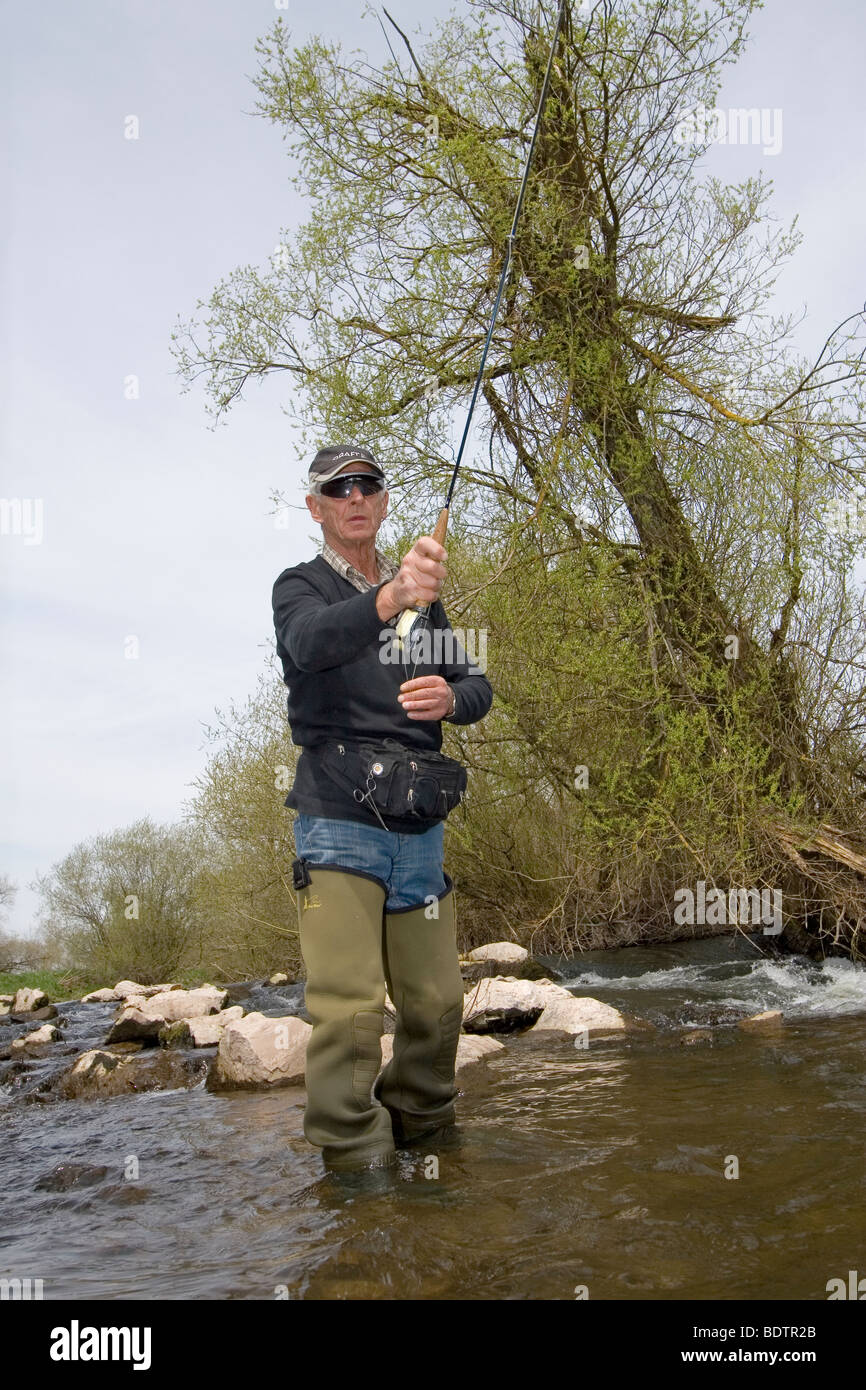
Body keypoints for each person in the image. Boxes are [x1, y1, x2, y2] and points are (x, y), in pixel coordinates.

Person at [272, 444, 493, 1174]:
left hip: (419, 828)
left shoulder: (427, 601)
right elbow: (310, 644)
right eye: (339, 489)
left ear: (385, 501)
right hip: (336, 824)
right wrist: (391, 597)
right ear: (317, 508)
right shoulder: (299, 588)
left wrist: (450, 698)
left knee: (435, 1007)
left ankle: (428, 1156)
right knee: (351, 1012)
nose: (355, 497)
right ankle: (358, 1179)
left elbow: (478, 685)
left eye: (368, 485)